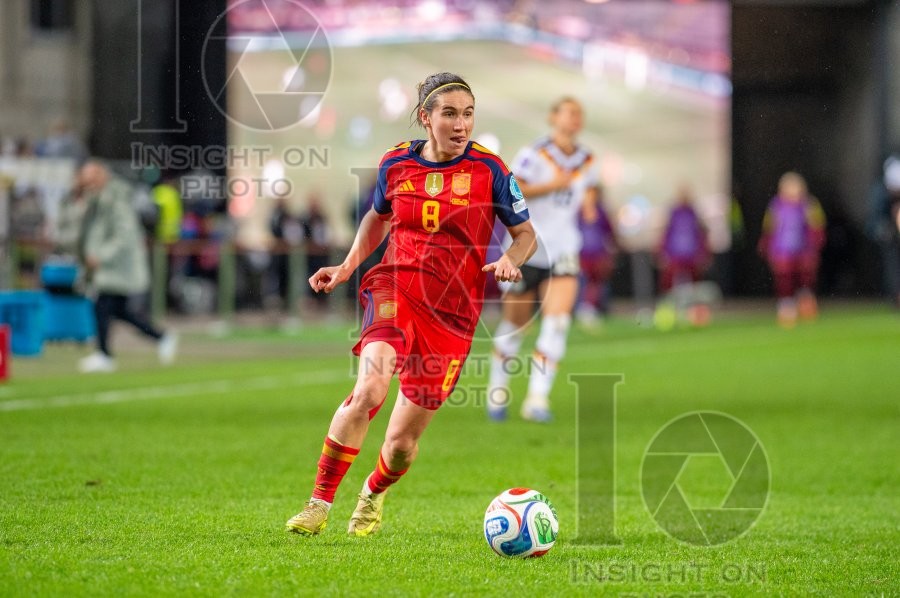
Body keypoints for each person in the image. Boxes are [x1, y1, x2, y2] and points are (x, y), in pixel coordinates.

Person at [285, 72, 536, 537]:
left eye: (467, 114)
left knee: (401, 443)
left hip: (453, 314)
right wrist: (346, 267)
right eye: (449, 114)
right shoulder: (395, 163)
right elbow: (377, 219)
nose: (461, 125)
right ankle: (318, 502)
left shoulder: (491, 170)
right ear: (426, 117)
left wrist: (509, 259)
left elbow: (526, 235)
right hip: (395, 287)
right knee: (369, 391)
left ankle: (373, 493)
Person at [485, 97, 598, 423]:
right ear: (554, 117)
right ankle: (497, 390)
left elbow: (587, 189)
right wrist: (552, 185)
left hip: (564, 249)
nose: (575, 119)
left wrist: (589, 204)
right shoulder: (534, 153)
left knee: (558, 322)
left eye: (580, 113)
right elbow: (513, 188)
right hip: (527, 248)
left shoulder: (587, 159)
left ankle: (537, 398)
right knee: (515, 325)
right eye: (570, 112)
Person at [76, 161, 178, 373]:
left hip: (116, 267)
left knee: (102, 307)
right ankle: (161, 337)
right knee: (120, 311)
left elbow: (125, 235)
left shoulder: (115, 199)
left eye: (89, 178)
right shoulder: (97, 200)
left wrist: (101, 256)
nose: (86, 183)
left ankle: (104, 355)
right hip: (109, 267)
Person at [757, 172, 826, 328]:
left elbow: (817, 226)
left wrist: (816, 245)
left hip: (804, 248)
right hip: (782, 250)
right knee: (784, 278)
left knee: (805, 277)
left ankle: (806, 302)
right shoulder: (775, 206)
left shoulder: (809, 204)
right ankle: (786, 306)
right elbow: (769, 228)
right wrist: (766, 245)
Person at [656, 185, 711, 326]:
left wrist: (703, 253)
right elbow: (666, 234)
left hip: (691, 256)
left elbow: (701, 235)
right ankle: (672, 311)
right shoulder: (673, 213)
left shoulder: (694, 214)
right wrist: (662, 251)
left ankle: (692, 313)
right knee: (671, 286)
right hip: (675, 256)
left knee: (692, 288)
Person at [575, 184, 618, 327]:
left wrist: (611, 250)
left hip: (598, 253)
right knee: (582, 282)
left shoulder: (601, 212)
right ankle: (582, 308)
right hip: (582, 253)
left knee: (596, 283)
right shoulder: (578, 212)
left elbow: (609, 232)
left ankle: (591, 308)